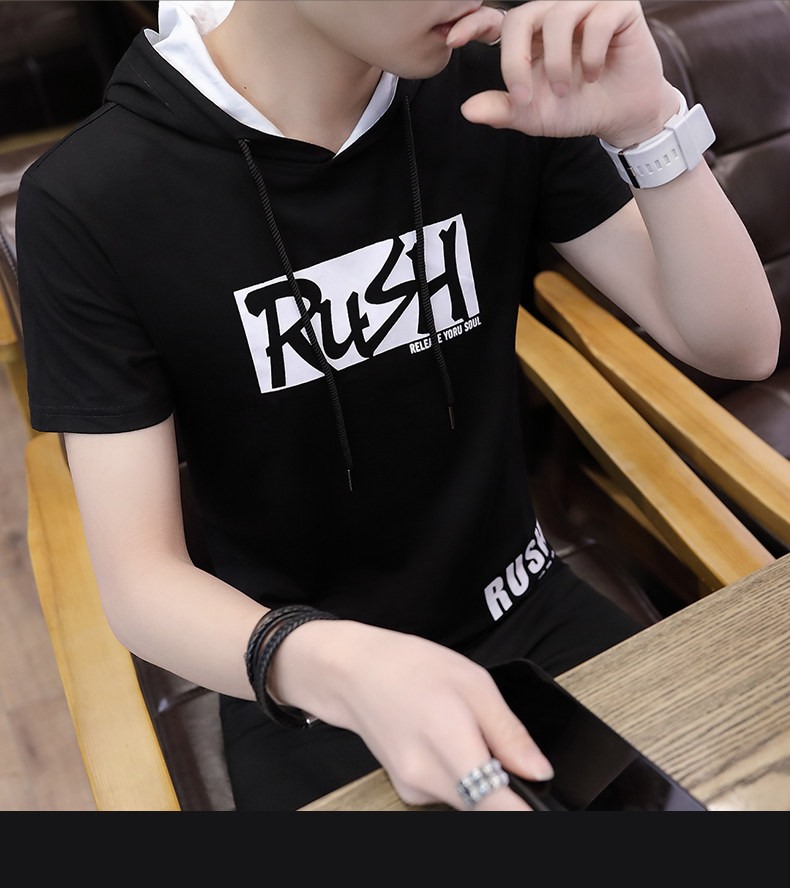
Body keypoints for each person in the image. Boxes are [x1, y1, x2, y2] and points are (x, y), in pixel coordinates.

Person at [17, 0, 779, 812]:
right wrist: (335, 665)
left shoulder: (493, 92)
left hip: (528, 607)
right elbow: (139, 580)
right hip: (306, 677)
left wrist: (647, 125)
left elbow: (738, 346)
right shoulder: (93, 197)